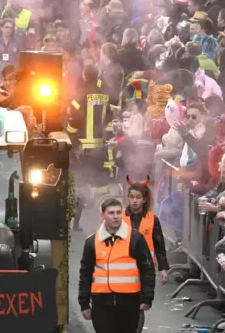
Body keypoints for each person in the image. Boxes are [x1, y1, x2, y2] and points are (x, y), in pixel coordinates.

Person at [78, 197, 154, 333]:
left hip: (129, 302)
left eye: (119, 212)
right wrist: (84, 303)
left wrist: (147, 297)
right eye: (111, 213)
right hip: (101, 303)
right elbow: (85, 274)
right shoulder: (92, 242)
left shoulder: (135, 239)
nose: (116, 217)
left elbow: (147, 269)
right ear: (102, 215)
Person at [67, 63, 112, 231]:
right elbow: (109, 118)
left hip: (82, 147)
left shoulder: (79, 95)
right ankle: (105, 222)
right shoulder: (103, 95)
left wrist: (70, 135)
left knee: (80, 185)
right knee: (100, 183)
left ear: (85, 76)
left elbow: (73, 119)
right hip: (99, 147)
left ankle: (76, 223)